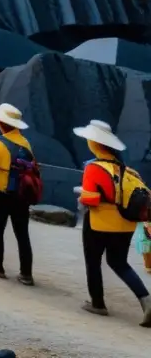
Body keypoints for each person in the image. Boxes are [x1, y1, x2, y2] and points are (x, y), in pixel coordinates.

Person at [73, 120, 151, 325]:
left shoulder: (94, 167)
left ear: (95, 144)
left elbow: (90, 199)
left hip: (99, 222)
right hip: (125, 224)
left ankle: (97, 303)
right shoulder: (129, 171)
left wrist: (81, 195)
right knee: (119, 262)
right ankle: (146, 300)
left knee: (93, 261)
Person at [0, 103, 36, 286]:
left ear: (0, 123)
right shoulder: (26, 143)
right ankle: (26, 274)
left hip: (0, 193)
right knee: (22, 233)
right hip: (22, 195)